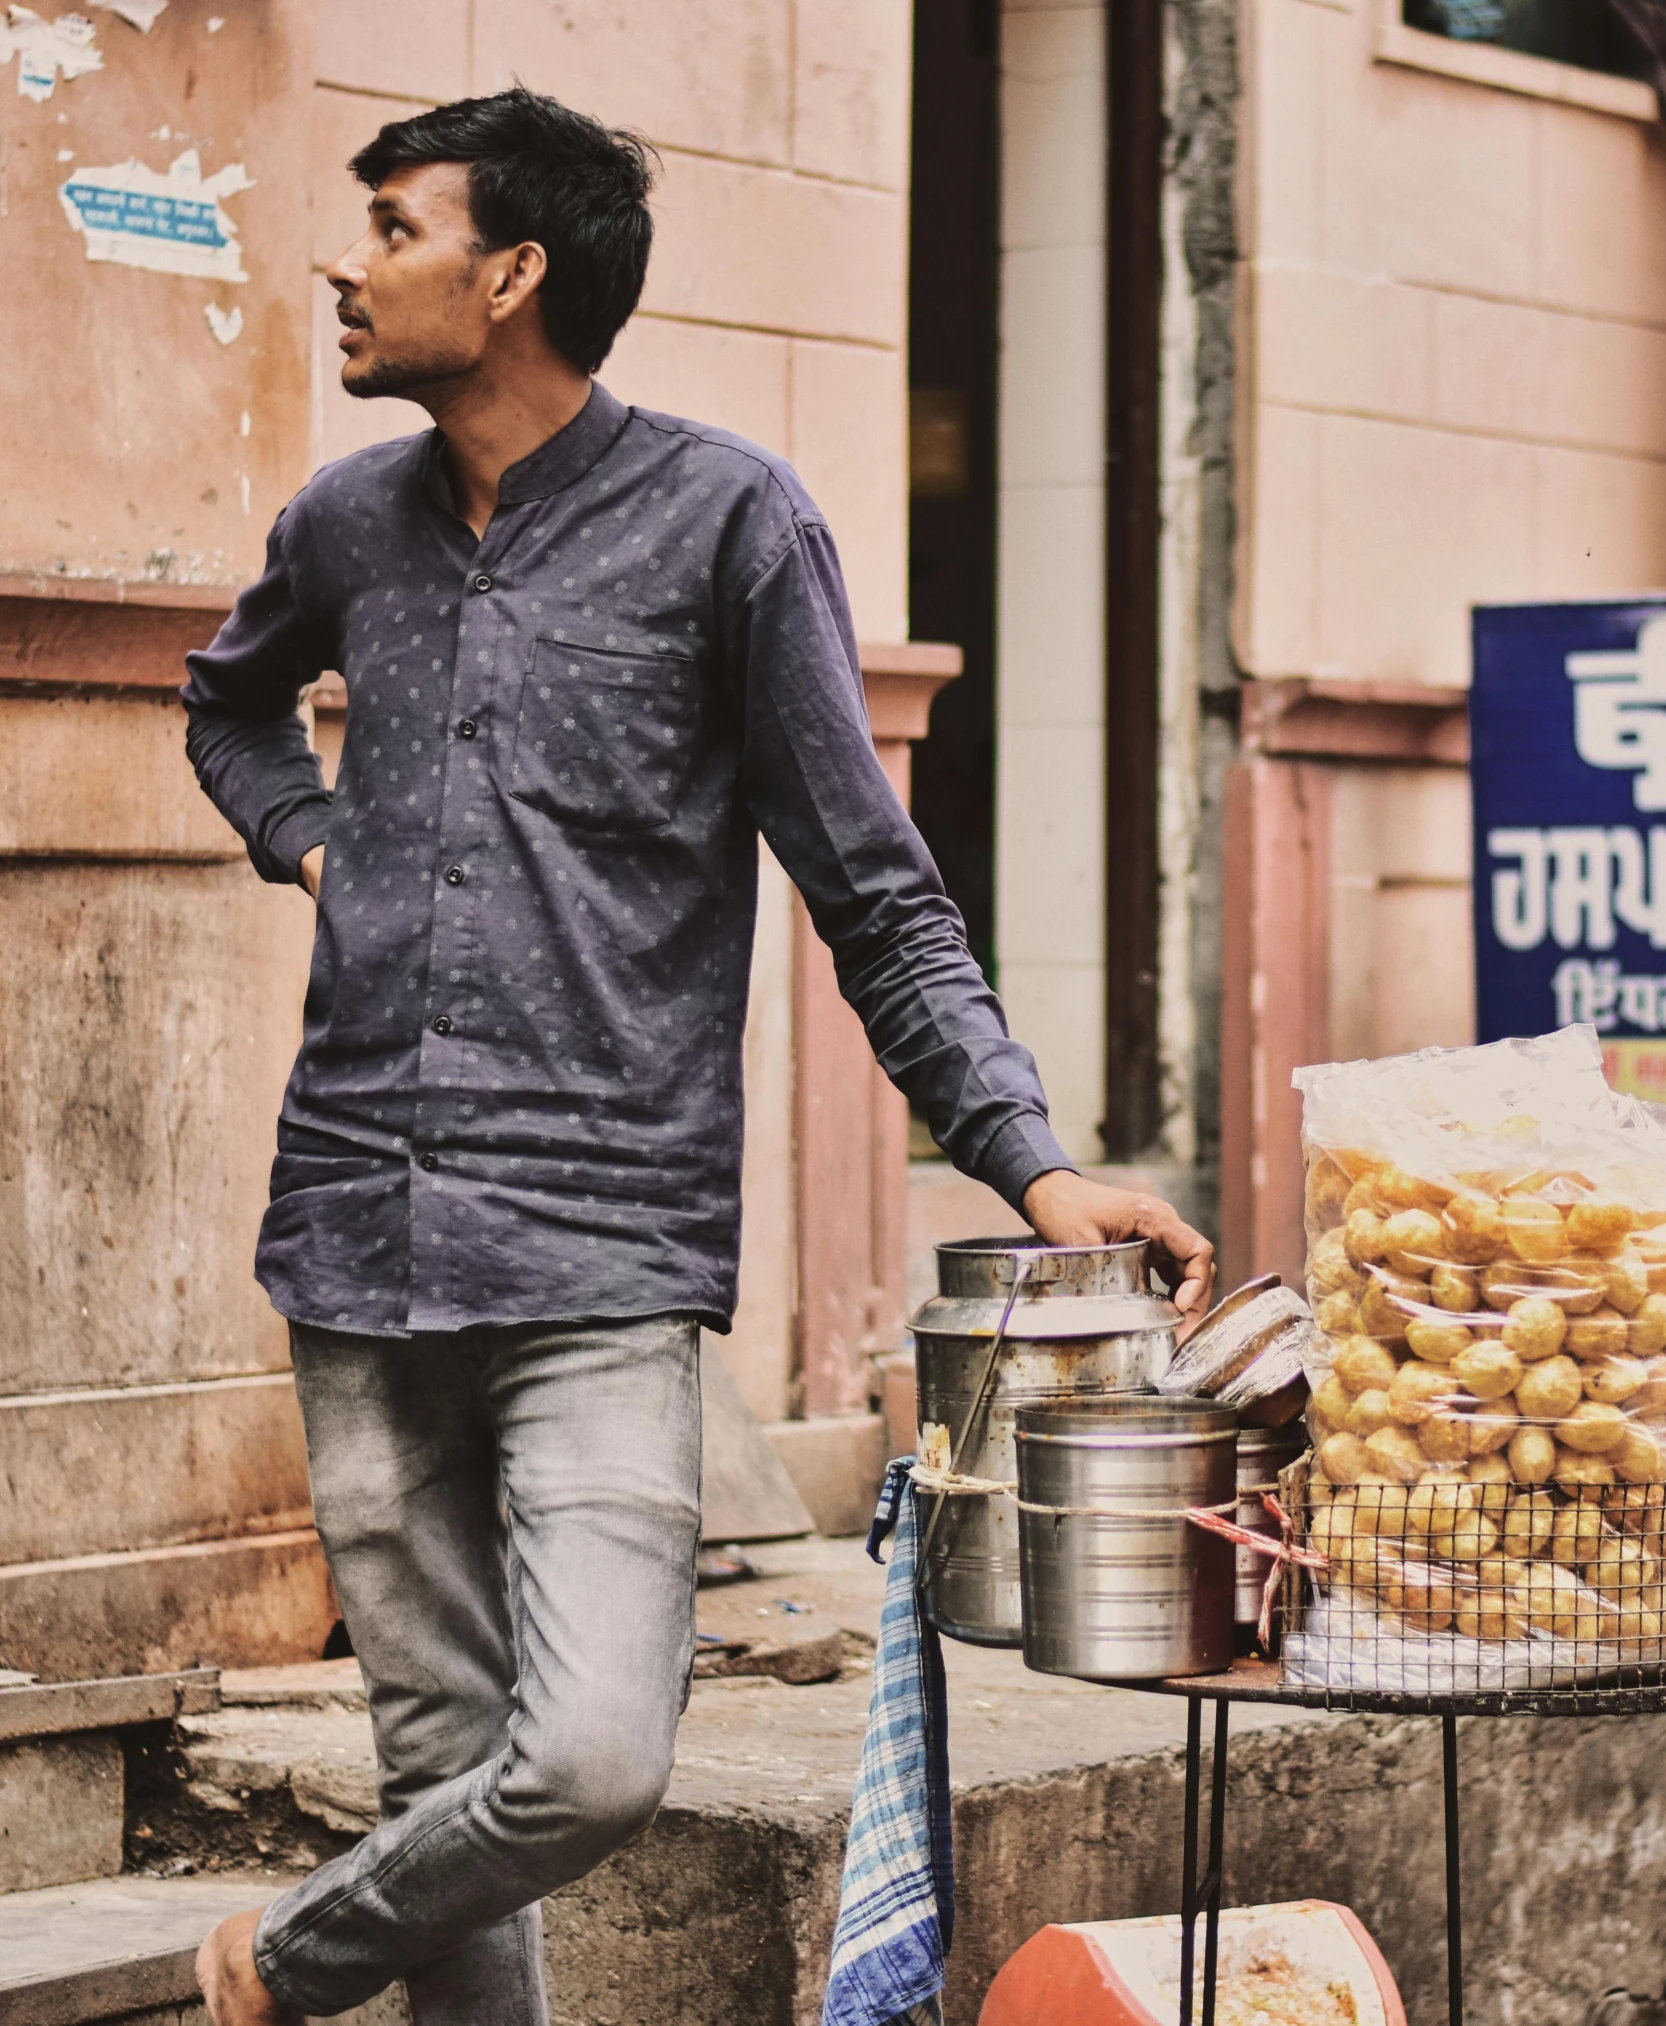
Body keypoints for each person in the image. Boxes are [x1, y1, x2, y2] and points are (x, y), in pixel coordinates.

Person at [186, 87, 1214, 2026]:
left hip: (600, 1244)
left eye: (392, 225)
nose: (347, 256)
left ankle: (282, 1960)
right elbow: (229, 700)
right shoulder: (344, 524)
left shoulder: (730, 523)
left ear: (510, 275)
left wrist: (1031, 1157)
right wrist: (312, 837)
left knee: (582, 1758)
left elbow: (874, 890)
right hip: (353, 1219)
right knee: (438, 1759)